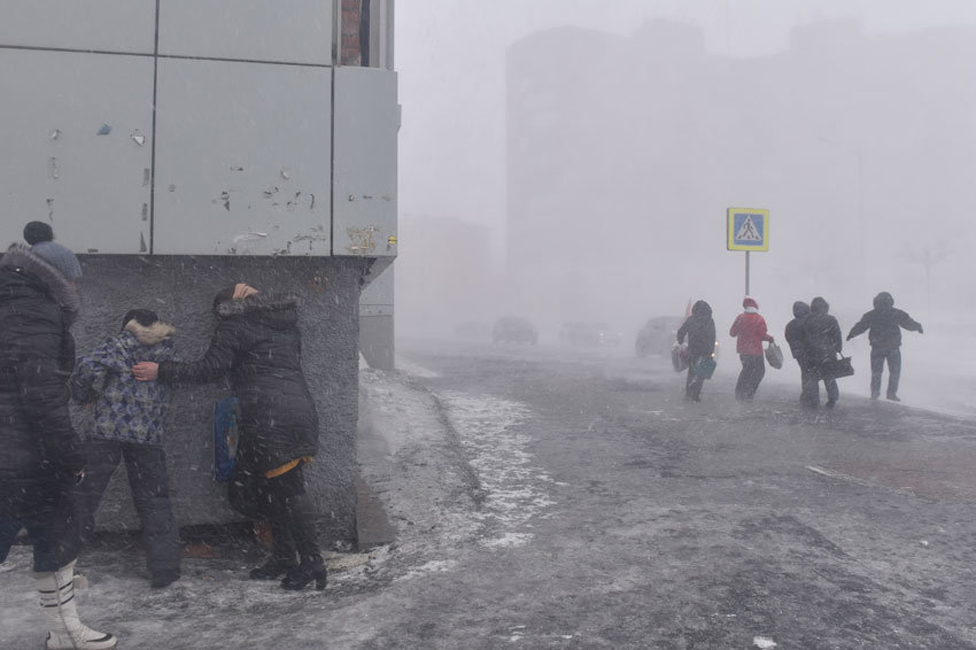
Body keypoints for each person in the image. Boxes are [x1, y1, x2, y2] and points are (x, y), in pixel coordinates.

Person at [132, 284, 325, 591]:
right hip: (295, 410)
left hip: (269, 414)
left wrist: (162, 370)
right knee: (275, 491)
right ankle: (286, 557)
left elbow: (210, 369)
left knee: (289, 491)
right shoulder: (285, 325)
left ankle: (312, 562)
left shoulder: (235, 326)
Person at [0, 241, 118, 649]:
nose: (76, 288)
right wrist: (71, 454)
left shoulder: (14, 303)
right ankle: (65, 633)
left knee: (56, 539)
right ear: (53, 279)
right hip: (22, 458)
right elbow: (42, 395)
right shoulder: (33, 313)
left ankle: (65, 633)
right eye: (72, 279)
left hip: (24, 457)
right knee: (52, 538)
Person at [70, 309, 181, 589]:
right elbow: (175, 381)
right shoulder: (167, 351)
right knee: (155, 500)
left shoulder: (119, 344)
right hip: (148, 434)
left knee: (84, 494)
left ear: (127, 326)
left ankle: (62, 559)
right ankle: (164, 568)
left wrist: (86, 396)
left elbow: (84, 369)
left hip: (106, 431)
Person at [846, 291, 923, 401]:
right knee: (895, 372)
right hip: (893, 348)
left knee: (876, 373)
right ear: (891, 302)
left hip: (877, 347)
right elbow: (908, 323)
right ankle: (891, 393)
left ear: (875, 303)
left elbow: (861, 326)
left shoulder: (871, 315)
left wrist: (852, 334)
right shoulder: (896, 313)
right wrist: (918, 327)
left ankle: (875, 393)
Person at [729, 296, 774, 401]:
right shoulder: (759, 319)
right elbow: (762, 335)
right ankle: (750, 392)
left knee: (746, 370)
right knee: (759, 371)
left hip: (743, 351)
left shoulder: (740, 318)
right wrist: (770, 338)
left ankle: (739, 392)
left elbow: (732, 333)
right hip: (755, 352)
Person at [803, 296, 844, 409]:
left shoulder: (807, 320)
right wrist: (838, 348)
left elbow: (804, 337)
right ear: (825, 307)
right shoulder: (831, 319)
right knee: (829, 376)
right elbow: (837, 335)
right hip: (827, 353)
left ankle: (815, 401)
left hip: (812, 353)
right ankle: (832, 399)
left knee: (813, 378)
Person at [676, 300, 716, 402]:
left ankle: (689, 392)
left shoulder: (691, 320)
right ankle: (696, 394)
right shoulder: (709, 321)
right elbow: (712, 337)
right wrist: (711, 352)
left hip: (693, 350)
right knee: (701, 373)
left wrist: (680, 341)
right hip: (705, 351)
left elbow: (681, 332)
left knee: (692, 371)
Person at [784, 301, 817, 409]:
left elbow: (788, 338)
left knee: (806, 373)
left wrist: (796, 348)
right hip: (810, 352)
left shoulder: (790, 325)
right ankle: (811, 399)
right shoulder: (809, 321)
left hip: (798, 354)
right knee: (812, 374)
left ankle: (807, 397)